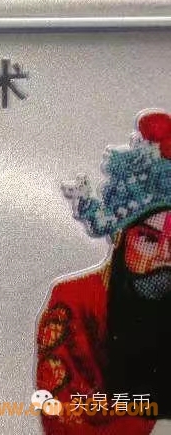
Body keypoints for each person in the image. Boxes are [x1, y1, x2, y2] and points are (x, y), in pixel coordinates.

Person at [36, 109, 171, 434]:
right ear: (121, 237)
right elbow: (63, 412)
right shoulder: (75, 302)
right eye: (149, 239)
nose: (165, 258)